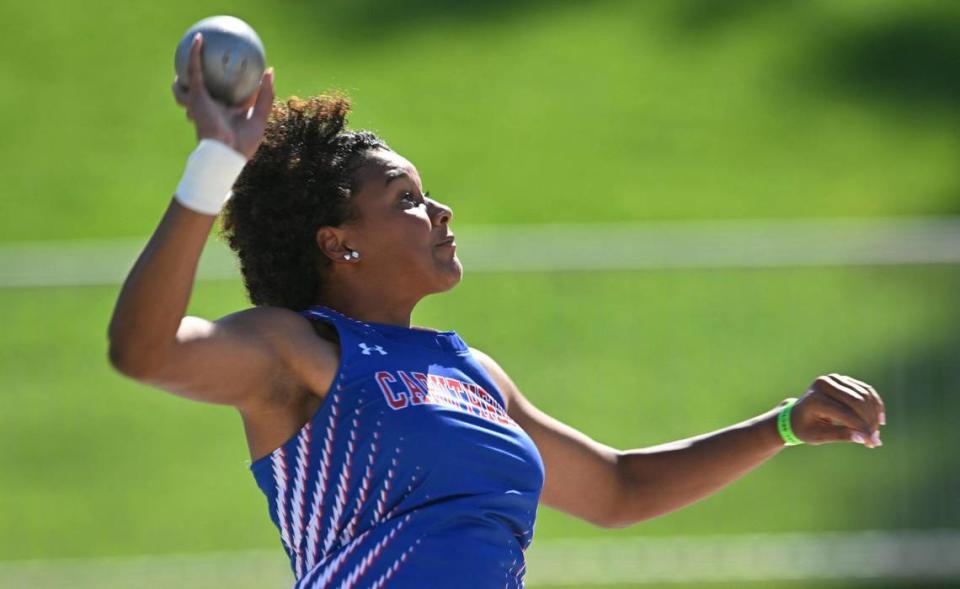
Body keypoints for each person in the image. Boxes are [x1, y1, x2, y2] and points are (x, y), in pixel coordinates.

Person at [108, 35, 887, 589]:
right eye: (407, 199)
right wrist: (214, 167)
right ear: (337, 242)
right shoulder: (296, 352)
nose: (441, 210)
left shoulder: (473, 373)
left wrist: (784, 423)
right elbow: (143, 350)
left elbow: (619, 490)